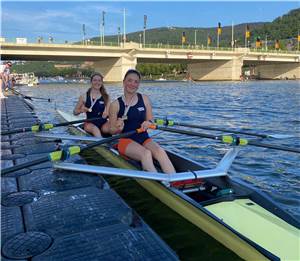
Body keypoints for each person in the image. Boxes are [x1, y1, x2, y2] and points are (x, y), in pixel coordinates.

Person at [109, 69, 176, 174]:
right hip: (125, 141)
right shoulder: (115, 105)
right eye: (129, 80)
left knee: (160, 152)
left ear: (138, 84)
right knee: (146, 154)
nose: (132, 84)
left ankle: (175, 182)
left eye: (136, 82)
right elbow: (111, 131)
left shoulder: (144, 99)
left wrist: (149, 122)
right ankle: (159, 185)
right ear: (124, 82)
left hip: (143, 138)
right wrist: (118, 128)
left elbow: (151, 120)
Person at [73, 72, 111, 137]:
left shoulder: (107, 97)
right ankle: (102, 145)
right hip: (89, 123)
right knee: (95, 129)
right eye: (95, 80)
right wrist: (81, 110)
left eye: (99, 80)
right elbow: (75, 112)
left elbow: (108, 112)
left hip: (103, 123)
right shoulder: (84, 96)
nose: (97, 82)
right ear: (91, 82)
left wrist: (108, 113)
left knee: (113, 127)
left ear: (102, 83)